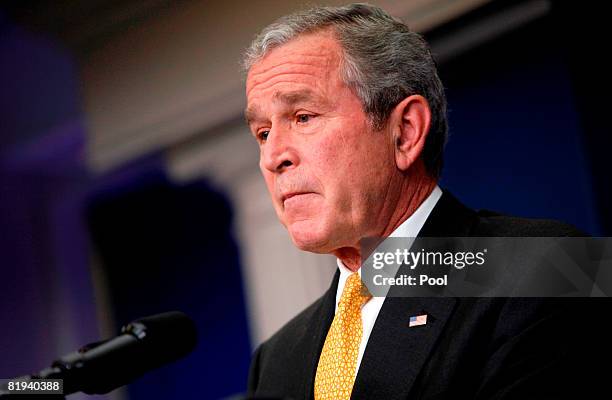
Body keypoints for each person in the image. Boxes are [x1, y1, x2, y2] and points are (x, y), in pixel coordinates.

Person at [243, 3, 606, 399]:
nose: (272, 156)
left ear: (405, 132)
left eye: (303, 117)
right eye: (262, 133)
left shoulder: (551, 268)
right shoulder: (275, 361)